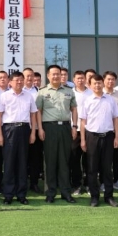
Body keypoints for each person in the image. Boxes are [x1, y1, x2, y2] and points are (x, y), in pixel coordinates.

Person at [36, 64, 78, 204]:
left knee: (64, 161)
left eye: (58, 74)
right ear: (48, 76)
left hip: (65, 128)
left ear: (61, 75)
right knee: (50, 161)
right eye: (53, 74)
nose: (56, 76)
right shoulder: (42, 92)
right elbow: (38, 111)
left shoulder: (69, 91)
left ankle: (66, 192)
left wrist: (74, 126)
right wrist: (40, 128)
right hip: (49, 128)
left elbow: (74, 109)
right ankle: (50, 192)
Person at [0, 71, 37, 205]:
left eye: (21, 80)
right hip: (9, 130)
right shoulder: (4, 96)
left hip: (24, 129)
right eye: (16, 80)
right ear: (10, 82)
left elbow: (33, 115)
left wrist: (33, 133)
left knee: (22, 163)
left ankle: (21, 194)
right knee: (9, 163)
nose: (19, 82)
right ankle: (8, 194)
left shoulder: (29, 96)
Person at [80, 74, 118, 207]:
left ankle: (109, 196)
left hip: (108, 136)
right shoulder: (87, 100)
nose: (97, 85)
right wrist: (83, 140)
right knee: (92, 168)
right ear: (90, 85)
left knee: (107, 168)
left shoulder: (110, 100)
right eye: (94, 83)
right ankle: (94, 196)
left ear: (103, 84)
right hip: (92, 137)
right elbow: (83, 121)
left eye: (99, 83)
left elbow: (116, 119)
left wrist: (116, 137)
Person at [103, 71, 118, 193]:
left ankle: (117, 180)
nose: (110, 81)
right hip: (104, 131)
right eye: (108, 79)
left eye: (112, 79)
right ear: (104, 80)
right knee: (105, 158)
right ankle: (104, 181)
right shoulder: (99, 93)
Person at [70, 70, 92, 195]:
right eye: (78, 78)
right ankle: (76, 185)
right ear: (74, 80)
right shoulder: (70, 93)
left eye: (82, 78)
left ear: (86, 79)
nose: (80, 80)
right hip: (75, 130)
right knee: (74, 159)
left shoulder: (91, 93)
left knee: (89, 159)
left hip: (89, 130)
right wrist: (72, 127)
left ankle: (89, 184)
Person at [23, 67, 42, 194]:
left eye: (31, 76)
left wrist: (39, 129)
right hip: (22, 129)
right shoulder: (18, 91)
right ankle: (23, 182)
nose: (29, 78)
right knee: (23, 157)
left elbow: (39, 112)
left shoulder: (39, 92)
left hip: (35, 128)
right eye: (27, 76)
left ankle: (34, 183)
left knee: (35, 157)